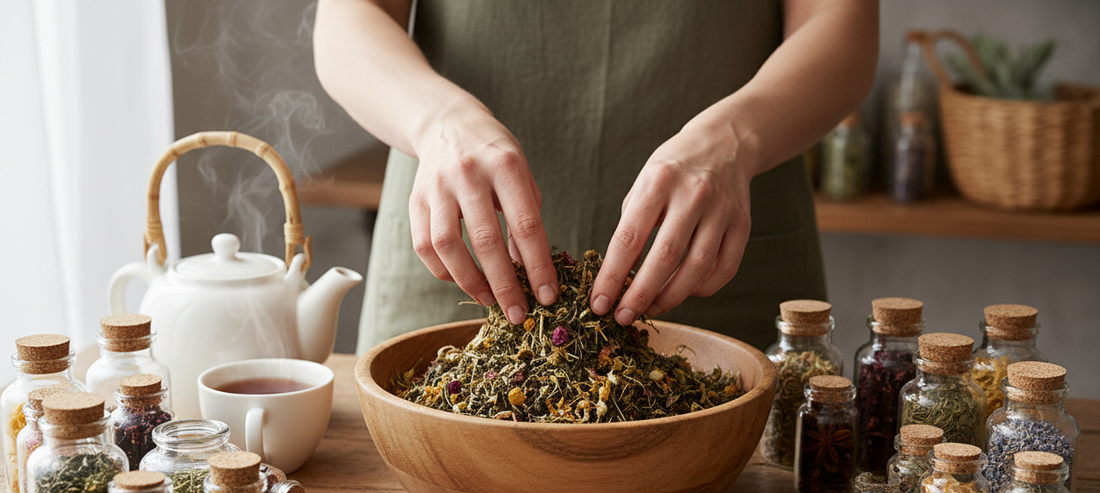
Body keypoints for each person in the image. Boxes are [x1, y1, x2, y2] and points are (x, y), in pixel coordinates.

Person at [313, 0, 879, 352]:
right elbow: (347, 17)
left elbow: (841, 20)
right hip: (464, 247)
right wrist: (437, 121)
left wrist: (737, 137)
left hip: (713, 260)